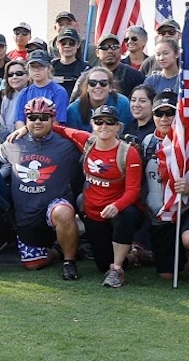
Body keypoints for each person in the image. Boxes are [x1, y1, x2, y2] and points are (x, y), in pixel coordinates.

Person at [45, 106, 143, 287]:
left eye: (109, 122)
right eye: (99, 121)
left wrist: (117, 205)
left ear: (118, 126)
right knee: (102, 264)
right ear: (92, 124)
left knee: (126, 215)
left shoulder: (128, 152)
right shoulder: (87, 141)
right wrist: (25, 128)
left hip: (117, 209)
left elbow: (133, 190)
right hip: (92, 210)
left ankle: (117, 270)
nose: (104, 126)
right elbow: (61, 129)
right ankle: (134, 256)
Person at [0, 97, 83, 279]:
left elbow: (95, 144)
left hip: (53, 208)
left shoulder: (67, 144)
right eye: (32, 117)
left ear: (53, 119)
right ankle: (58, 250)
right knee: (33, 264)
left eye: (44, 117)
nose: (38, 121)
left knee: (63, 212)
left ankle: (69, 261)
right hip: (27, 218)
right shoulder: (14, 142)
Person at [139, 92, 189, 280]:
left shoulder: (186, 144)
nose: (164, 118)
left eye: (170, 113)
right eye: (159, 113)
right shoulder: (147, 142)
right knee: (167, 275)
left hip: (185, 209)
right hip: (160, 216)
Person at [12, 51, 69, 128]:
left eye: (41, 66)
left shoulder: (59, 91)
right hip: (28, 133)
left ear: (49, 68)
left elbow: (58, 121)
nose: (36, 70)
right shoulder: (24, 93)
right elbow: (19, 120)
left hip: (52, 133)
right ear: (28, 69)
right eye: (33, 67)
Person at [66, 66, 133, 133]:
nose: (98, 86)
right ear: (87, 87)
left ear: (110, 87)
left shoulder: (123, 104)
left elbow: (124, 133)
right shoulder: (73, 109)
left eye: (103, 83)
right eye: (92, 83)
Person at [92, 34, 144, 99]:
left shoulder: (135, 76)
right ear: (97, 53)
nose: (110, 51)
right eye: (104, 48)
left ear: (120, 50)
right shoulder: (89, 77)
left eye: (114, 47)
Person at [51, 28, 88, 97]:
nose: (67, 46)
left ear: (78, 45)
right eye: (63, 43)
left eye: (71, 43)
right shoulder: (50, 67)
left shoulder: (86, 68)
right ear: (57, 45)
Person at [0, 59, 28, 134]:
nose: (14, 77)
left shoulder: (35, 95)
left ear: (28, 75)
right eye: (10, 75)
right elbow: (2, 123)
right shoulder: (7, 98)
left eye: (19, 73)